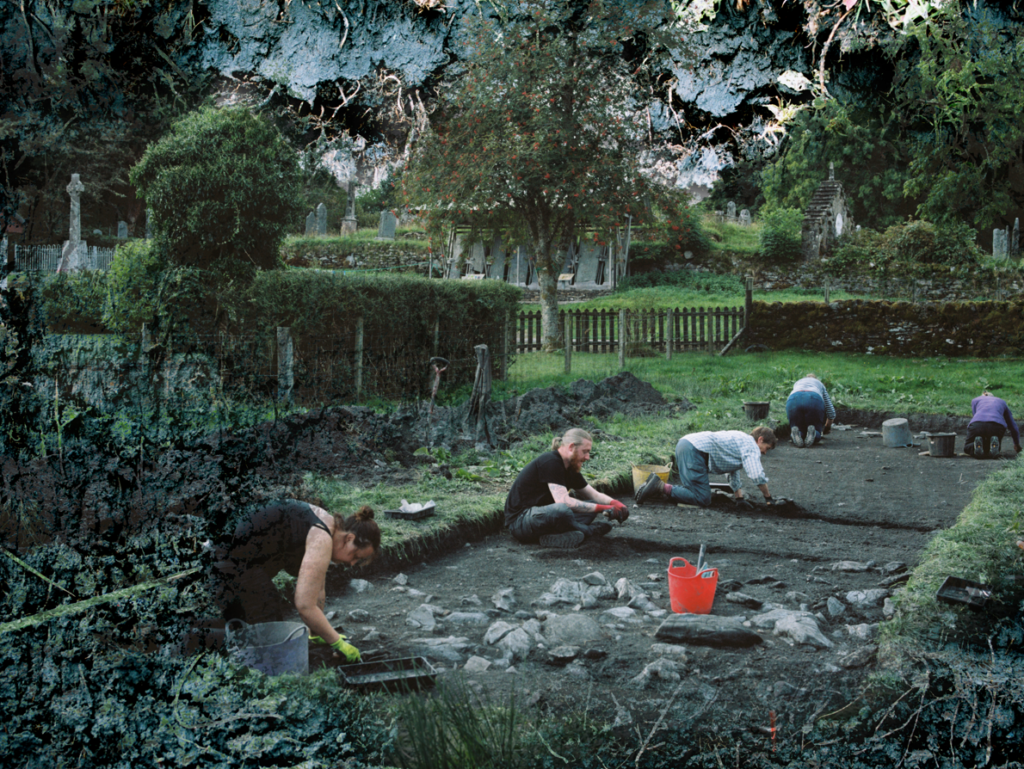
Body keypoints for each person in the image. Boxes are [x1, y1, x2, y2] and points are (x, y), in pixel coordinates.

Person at [197, 499, 380, 660]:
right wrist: (337, 643)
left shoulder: (326, 525)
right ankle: (189, 639)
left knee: (251, 624)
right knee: (270, 638)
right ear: (349, 538)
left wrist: (317, 633)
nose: (352, 563)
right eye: (356, 555)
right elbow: (304, 605)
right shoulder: (322, 536)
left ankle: (196, 633)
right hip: (226, 560)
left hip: (230, 558)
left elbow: (317, 589)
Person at [505, 427, 630, 549]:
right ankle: (588, 531)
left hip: (543, 519)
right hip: (520, 522)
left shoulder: (570, 467)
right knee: (563, 509)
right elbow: (563, 502)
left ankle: (556, 536)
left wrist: (615, 503)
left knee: (591, 505)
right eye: (585, 451)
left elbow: (594, 495)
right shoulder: (550, 462)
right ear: (571, 447)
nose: (587, 457)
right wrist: (604, 508)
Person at [634, 427, 779, 509]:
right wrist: (768, 498)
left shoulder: (741, 441)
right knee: (702, 498)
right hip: (695, 451)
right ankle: (660, 487)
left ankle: (657, 489)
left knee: (694, 491)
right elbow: (756, 474)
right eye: (766, 448)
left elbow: (733, 471)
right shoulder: (751, 446)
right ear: (760, 440)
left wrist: (739, 498)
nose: (765, 453)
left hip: (686, 444)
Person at [964, 391, 1022, 459]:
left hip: (977, 424)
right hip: (997, 426)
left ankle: (974, 446)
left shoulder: (976, 400)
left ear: (984, 395)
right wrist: (1016, 444)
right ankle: (993, 446)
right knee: (995, 446)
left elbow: (975, 415)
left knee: (967, 446)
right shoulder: (1002, 402)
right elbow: (1012, 425)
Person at [786, 374, 835, 448]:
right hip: (813, 398)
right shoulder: (819, 384)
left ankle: (796, 433)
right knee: (816, 430)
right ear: (816, 379)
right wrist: (827, 427)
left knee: (798, 427)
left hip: (793, 399)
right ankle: (814, 433)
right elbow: (831, 411)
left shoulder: (798, 382)